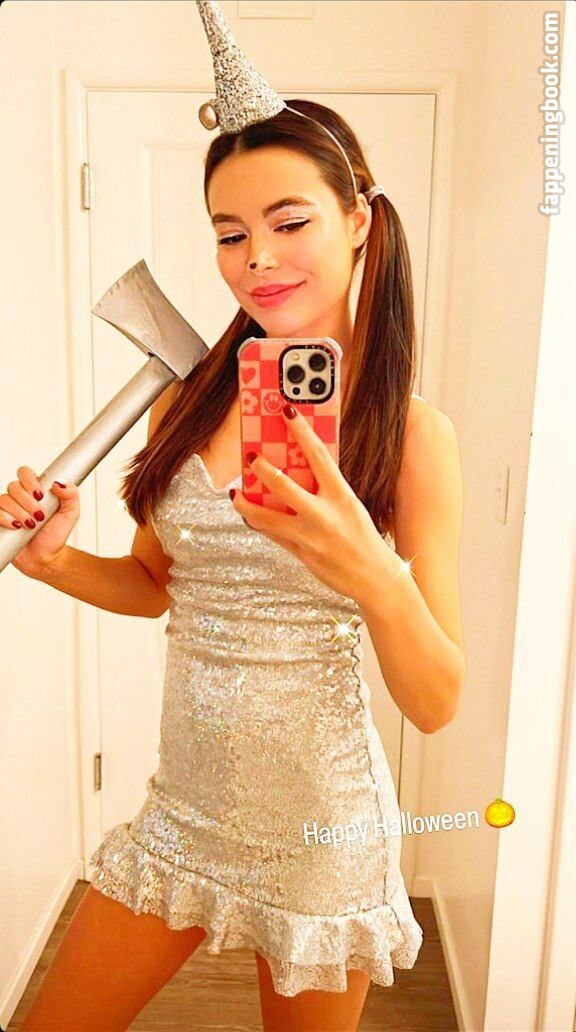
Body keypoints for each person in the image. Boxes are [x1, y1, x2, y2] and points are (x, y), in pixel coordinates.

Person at [8, 6, 465, 1030]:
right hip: (183, 812)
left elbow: (437, 699)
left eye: (289, 222)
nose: (257, 257)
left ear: (359, 219)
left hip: (322, 831)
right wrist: (53, 561)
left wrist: (369, 569)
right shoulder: (186, 401)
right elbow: (155, 585)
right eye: (229, 233)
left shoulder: (410, 436)